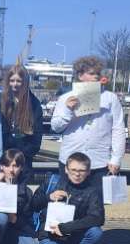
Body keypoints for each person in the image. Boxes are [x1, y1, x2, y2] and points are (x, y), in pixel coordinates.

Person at [29, 151, 104, 244]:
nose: (77, 174)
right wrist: (49, 197)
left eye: (82, 170)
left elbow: (97, 218)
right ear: (66, 169)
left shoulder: (92, 191)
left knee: (96, 232)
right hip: (51, 234)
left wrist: (65, 228)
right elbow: (32, 205)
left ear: (88, 172)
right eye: (73, 169)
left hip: (73, 234)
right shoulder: (53, 181)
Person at [50, 56, 124, 184]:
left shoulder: (111, 99)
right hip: (70, 161)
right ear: (80, 75)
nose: (96, 76)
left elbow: (118, 129)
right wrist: (68, 110)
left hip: (99, 162)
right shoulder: (66, 98)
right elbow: (56, 127)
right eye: (91, 73)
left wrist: (116, 158)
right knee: (67, 196)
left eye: (98, 73)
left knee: (97, 196)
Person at [0, 64, 43, 183]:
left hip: (24, 160)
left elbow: (37, 135)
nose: (15, 84)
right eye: (12, 80)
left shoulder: (34, 103)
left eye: (18, 81)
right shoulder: (0, 101)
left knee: (22, 191)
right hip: (4, 159)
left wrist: (23, 154)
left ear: (25, 82)